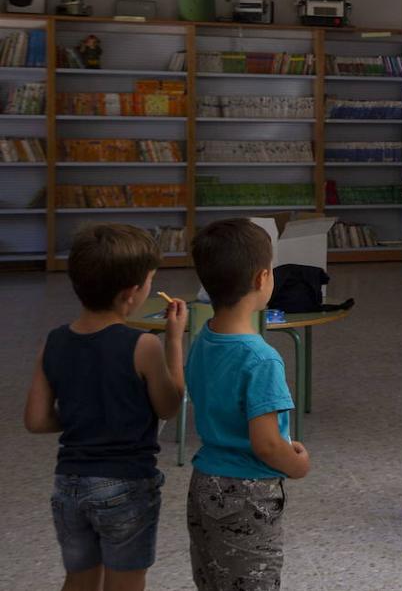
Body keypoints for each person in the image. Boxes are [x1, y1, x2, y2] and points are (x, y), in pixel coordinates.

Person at [23, 224, 188, 591]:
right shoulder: (144, 345)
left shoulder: (53, 342)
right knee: (125, 583)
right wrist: (175, 342)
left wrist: (86, 414)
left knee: (78, 580)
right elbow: (169, 406)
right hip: (126, 485)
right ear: (132, 294)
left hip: (70, 485)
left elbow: (36, 420)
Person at [185, 218, 311, 591]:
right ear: (261, 279)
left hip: (204, 483)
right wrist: (297, 464)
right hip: (247, 493)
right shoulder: (261, 357)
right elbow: (267, 442)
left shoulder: (202, 340)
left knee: (212, 579)